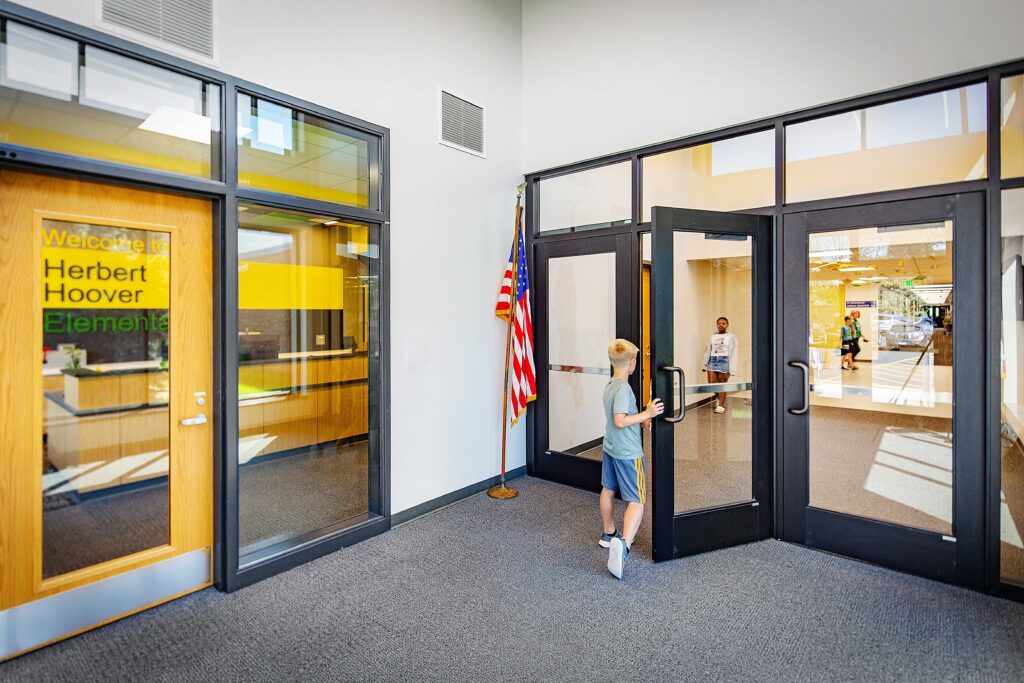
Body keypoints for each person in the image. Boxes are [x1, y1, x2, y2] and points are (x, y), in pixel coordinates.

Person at [600, 339, 664, 579]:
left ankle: (608, 534)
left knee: (608, 489)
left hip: (611, 447)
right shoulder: (624, 389)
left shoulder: (610, 384)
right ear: (632, 362)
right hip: (628, 453)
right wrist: (648, 413)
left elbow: (623, 416)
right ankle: (623, 545)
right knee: (637, 500)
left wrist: (641, 418)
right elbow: (619, 419)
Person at [702, 317, 739, 414]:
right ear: (716, 325)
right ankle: (718, 396)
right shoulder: (712, 337)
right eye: (719, 323)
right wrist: (705, 364)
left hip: (725, 361)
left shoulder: (732, 337)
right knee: (712, 384)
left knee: (722, 384)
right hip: (713, 360)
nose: (721, 325)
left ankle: (721, 405)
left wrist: (732, 369)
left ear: (727, 325)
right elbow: (707, 350)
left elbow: (734, 353)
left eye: (723, 323)